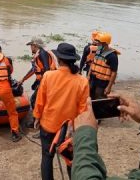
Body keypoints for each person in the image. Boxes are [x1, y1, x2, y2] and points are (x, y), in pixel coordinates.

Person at [33, 43, 89, 180]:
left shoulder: (48, 76)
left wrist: (36, 117)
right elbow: (83, 110)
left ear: (58, 59)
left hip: (48, 125)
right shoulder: (82, 81)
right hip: (69, 129)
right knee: (71, 160)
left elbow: (40, 100)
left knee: (47, 157)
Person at [18, 37, 56, 129]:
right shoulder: (38, 54)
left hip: (47, 82)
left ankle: (37, 123)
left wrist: (42, 84)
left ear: (35, 46)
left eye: (31, 46)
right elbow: (34, 70)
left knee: (34, 100)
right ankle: (38, 121)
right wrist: (23, 79)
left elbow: (46, 69)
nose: (30, 48)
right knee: (37, 100)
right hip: (43, 80)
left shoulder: (42, 54)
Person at [88, 32, 119, 100]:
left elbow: (114, 72)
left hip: (103, 82)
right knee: (90, 95)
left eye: (99, 43)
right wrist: (88, 75)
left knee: (99, 97)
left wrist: (109, 87)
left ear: (105, 44)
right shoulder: (98, 51)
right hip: (93, 78)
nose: (97, 44)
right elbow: (93, 63)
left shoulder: (112, 56)